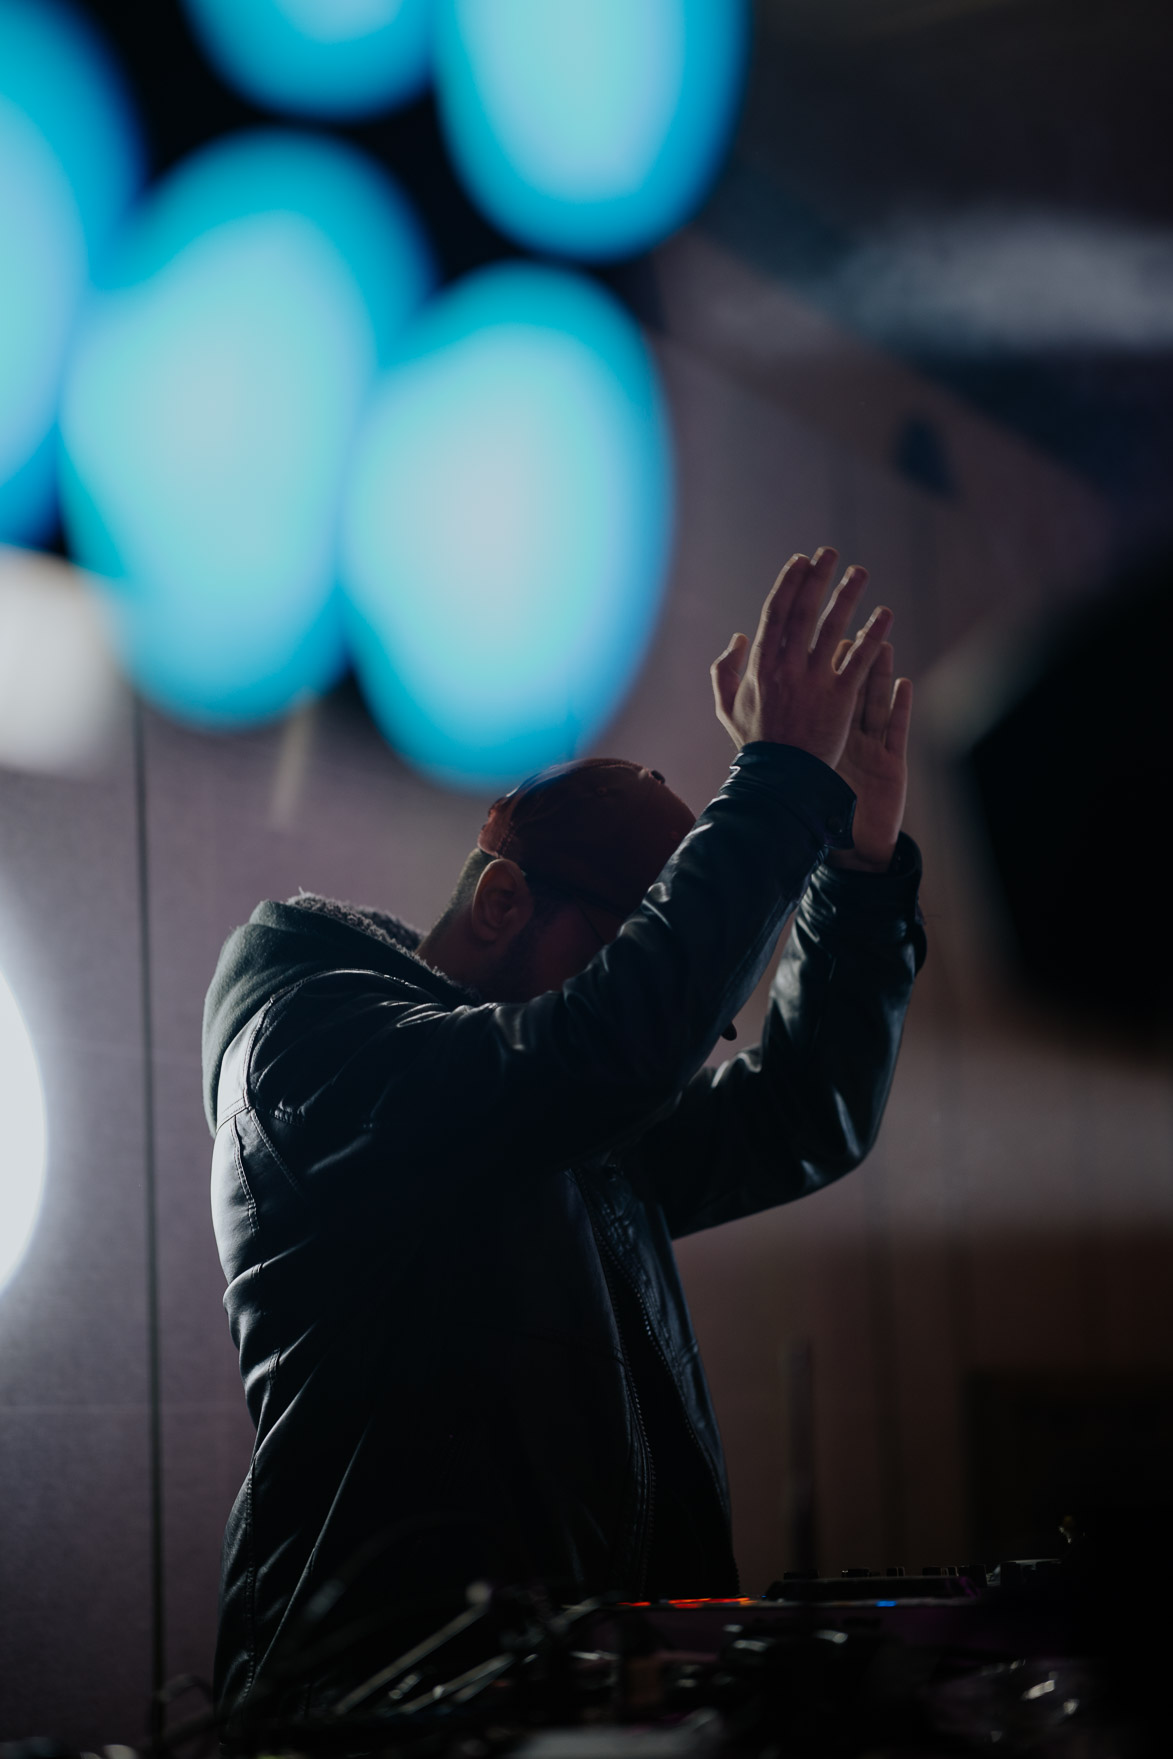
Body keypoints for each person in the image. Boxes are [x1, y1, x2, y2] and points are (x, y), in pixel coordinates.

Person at [202, 548, 925, 1725]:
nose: (680, 1047)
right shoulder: (316, 1051)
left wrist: (858, 870)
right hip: (393, 1720)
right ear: (501, 904)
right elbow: (608, 1049)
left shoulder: (574, 1130)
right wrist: (783, 777)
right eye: (622, 958)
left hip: (583, 1707)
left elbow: (804, 1115)